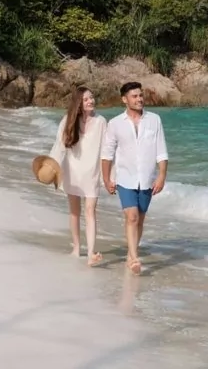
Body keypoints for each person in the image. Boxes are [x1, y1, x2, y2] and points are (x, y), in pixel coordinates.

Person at [100, 81, 168, 275]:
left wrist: (161, 176)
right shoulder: (115, 124)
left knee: (140, 219)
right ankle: (134, 257)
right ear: (125, 99)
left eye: (140, 95)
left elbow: (161, 151)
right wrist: (106, 179)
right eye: (134, 96)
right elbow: (107, 154)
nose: (139, 99)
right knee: (132, 217)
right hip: (125, 178)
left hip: (147, 178)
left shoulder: (154, 120)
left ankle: (131, 256)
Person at [49, 86, 107, 266]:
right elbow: (59, 146)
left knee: (90, 211)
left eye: (92, 97)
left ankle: (90, 253)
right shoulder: (68, 120)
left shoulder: (101, 122)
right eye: (86, 99)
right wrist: (51, 168)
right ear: (78, 103)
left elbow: (107, 151)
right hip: (72, 170)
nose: (91, 101)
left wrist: (109, 175)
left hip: (92, 172)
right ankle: (76, 248)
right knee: (74, 211)